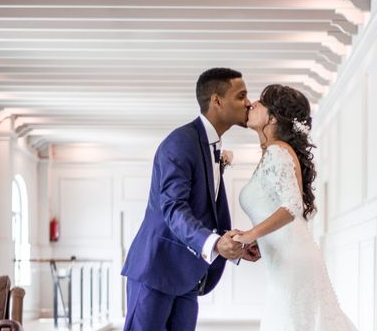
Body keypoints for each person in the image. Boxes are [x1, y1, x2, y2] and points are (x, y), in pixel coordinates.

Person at [121, 68, 261, 331]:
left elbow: (205, 213)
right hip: (156, 270)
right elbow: (174, 208)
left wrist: (234, 247)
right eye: (241, 95)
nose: (249, 103)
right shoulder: (180, 142)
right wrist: (216, 244)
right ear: (216, 101)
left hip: (187, 277)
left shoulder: (211, 147)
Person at [234, 84, 357, 331]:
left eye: (261, 102)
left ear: (273, 117)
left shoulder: (278, 151)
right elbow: (276, 207)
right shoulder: (272, 153)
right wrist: (260, 239)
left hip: (293, 261)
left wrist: (251, 234)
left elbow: (292, 206)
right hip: (284, 259)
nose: (252, 104)